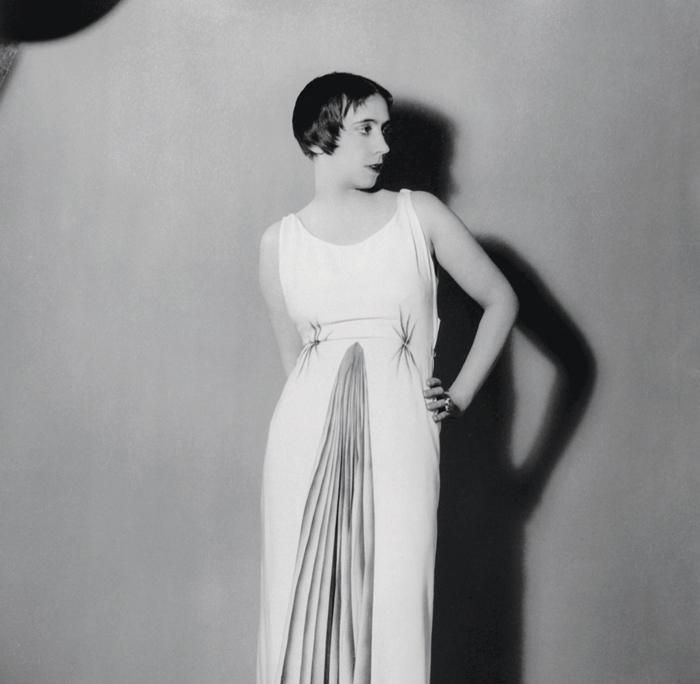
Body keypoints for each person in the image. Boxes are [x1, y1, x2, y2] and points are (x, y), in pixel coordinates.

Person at [257, 72, 518, 684]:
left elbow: (500, 300)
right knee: (298, 610)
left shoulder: (417, 214)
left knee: (396, 607)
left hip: (401, 437)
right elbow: (296, 366)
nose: (383, 146)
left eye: (386, 130)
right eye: (366, 129)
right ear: (319, 136)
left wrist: (459, 395)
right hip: (301, 449)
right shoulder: (278, 244)